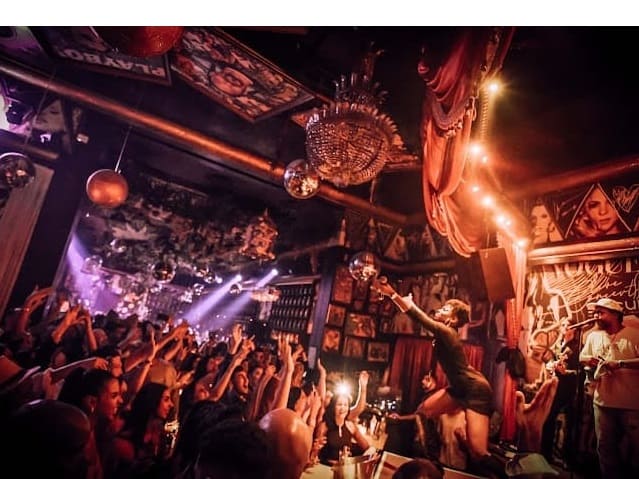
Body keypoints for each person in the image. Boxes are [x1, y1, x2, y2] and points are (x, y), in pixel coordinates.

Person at [372, 278, 493, 461]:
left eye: (446, 309)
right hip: (458, 388)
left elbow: (421, 319)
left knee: (478, 451)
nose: (441, 309)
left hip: (475, 389)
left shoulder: (447, 332)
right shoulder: (444, 334)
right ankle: (431, 459)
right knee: (424, 411)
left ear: (453, 319)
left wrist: (392, 294)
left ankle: (509, 471)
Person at [578, 297, 639, 478]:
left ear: (615, 314)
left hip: (631, 405)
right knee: (605, 448)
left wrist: (620, 363)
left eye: (601, 313)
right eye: (596, 312)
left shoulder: (635, 335)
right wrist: (589, 360)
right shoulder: (594, 336)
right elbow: (581, 357)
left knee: (636, 450)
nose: (596, 316)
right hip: (602, 402)